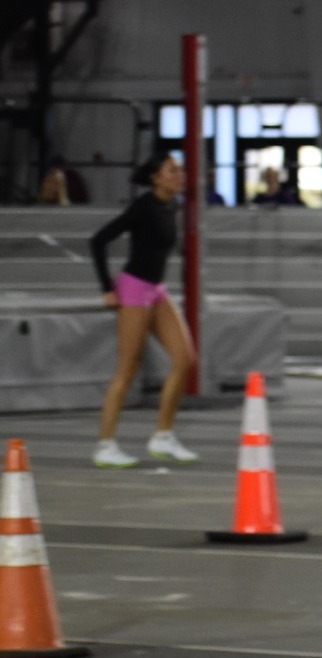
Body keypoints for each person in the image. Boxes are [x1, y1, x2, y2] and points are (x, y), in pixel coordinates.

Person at [87, 155, 198, 468]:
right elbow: (98, 241)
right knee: (127, 369)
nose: (180, 175)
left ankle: (163, 435)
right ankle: (105, 444)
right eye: (172, 171)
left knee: (184, 358)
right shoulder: (143, 207)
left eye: (180, 169)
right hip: (134, 288)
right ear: (155, 178)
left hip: (157, 289)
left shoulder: (171, 205)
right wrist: (107, 288)